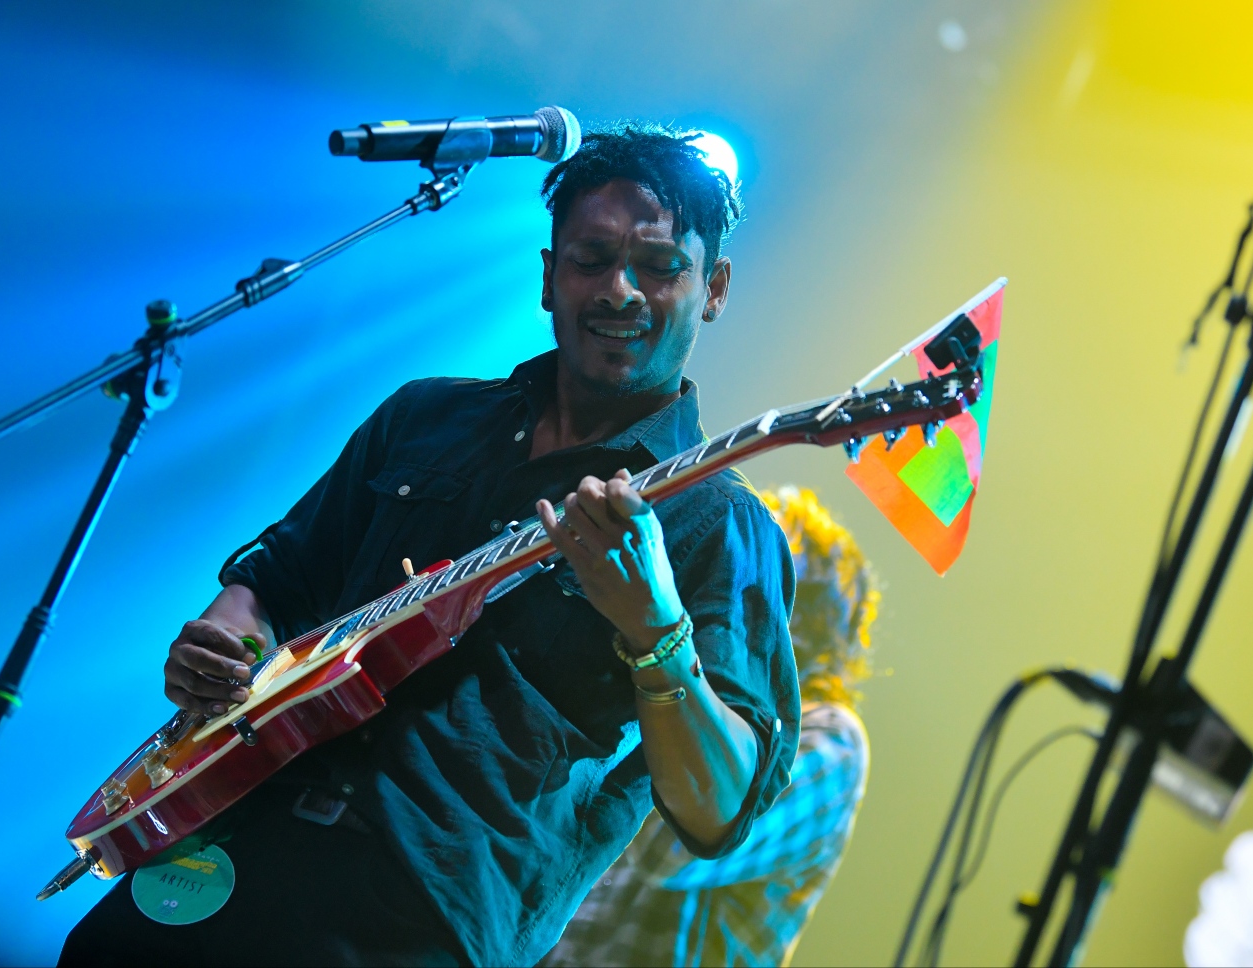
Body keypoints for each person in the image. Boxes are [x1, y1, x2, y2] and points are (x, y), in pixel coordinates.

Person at [59, 123, 800, 967]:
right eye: (591, 259)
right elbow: (275, 581)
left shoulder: (717, 521)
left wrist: (657, 630)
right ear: (548, 278)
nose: (620, 290)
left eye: (660, 266)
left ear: (714, 288)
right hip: (219, 850)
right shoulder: (425, 415)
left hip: (414, 922)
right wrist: (224, 645)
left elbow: (720, 809)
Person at [543, 485, 878, 968]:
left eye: (756, 558)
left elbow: (674, 850)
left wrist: (665, 658)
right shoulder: (666, 669)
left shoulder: (833, 738)